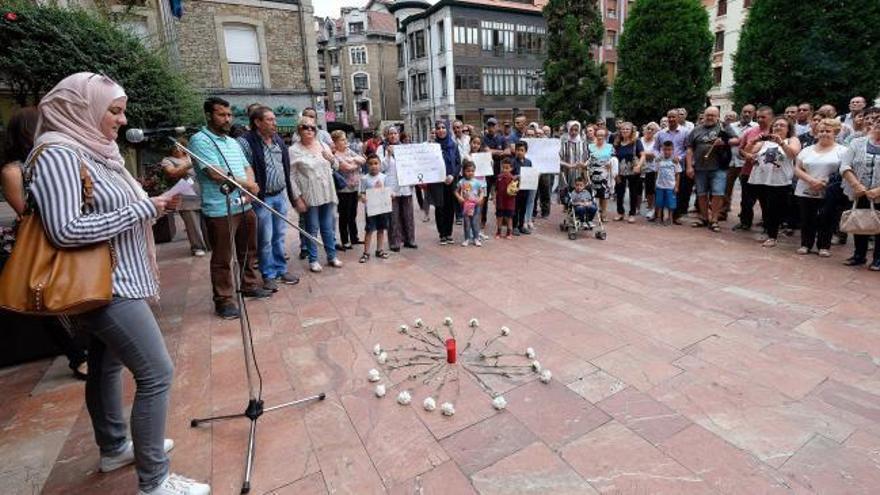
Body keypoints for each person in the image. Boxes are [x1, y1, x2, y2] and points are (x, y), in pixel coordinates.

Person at [30, 73, 209, 494]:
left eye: (120, 109)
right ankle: (155, 480)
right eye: (113, 110)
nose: (121, 118)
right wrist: (143, 209)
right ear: (82, 109)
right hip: (106, 285)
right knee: (157, 374)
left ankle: (114, 447)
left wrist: (157, 207)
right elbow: (65, 229)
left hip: (121, 276)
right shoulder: (58, 153)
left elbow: (118, 213)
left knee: (108, 368)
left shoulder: (98, 152)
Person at [1, 106, 89, 381]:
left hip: (71, 234)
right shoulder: (14, 171)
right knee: (46, 301)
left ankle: (89, 347)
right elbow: (26, 214)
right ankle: (77, 356)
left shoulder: (54, 159)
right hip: (41, 243)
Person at [191, 97, 271, 320]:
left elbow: (247, 166)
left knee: (249, 249)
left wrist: (250, 187)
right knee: (223, 257)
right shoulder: (200, 140)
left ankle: (249, 285)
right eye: (221, 114)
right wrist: (248, 185)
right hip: (219, 209)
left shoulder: (233, 141)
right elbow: (215, 173)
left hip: (243, 204)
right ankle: (224, 300)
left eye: (229, 114)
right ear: (208, 115)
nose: (227, 119)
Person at [237, 106, 300, 291]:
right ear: (257, 122)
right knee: (265, 238)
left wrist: (291, 195)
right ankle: (268, 274)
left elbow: (285, 169)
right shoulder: (245, 142)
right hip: (262, 198)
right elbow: (242, 169)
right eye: (270, 120)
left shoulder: (278, 140)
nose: (275, 123)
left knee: (279, 236)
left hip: (280, 195)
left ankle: (281, 269)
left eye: (275, 119)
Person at [289, 116, 342, 272]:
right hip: (309, 194)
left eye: (313, 127)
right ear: (299, 129)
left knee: (328, 226)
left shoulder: (322, 144)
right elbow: (291, 176)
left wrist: (332, 159)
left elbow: (336, 166)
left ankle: (332, 256)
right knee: (312, 228)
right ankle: (313, 259)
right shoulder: (293, 150)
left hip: (326, 192)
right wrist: (297, 197)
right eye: (306, 127)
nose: (310, 130)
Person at [794, 118, 850, 257]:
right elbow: (797, 168)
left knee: (828, 218)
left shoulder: (843, 151)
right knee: (807, 218)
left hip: (830, 190)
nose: (824, 133)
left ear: (835, 132)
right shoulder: (807, 150)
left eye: (828, 131)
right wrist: (811, 180)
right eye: (821, 131)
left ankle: (824, 246)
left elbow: (844, 169)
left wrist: (825, 181)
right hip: (806, 188)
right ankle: (805, 244)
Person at [746, 117, 801, 247]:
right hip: (761, 179)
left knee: (774, 209)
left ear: (788, 129)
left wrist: (781, 143)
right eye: (775, 125)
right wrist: (753, 142)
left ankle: (773, 236)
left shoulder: (792, 140)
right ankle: (768, 231)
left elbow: (793, 154)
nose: (778, 127)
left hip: (779, 181)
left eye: (782, 125)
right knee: (765, 208)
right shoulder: (765, 142)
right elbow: (748, 152)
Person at [685, 106, 738, 233]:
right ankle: (704, 218)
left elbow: (737, 140)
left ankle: (714, 219)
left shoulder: (724, 128)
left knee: (717, 194)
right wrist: (689, 166)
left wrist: (725, 142)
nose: (709, 117)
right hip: (700, 168)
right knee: (701, 194)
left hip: (719, 167)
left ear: (717, 117)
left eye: (712, 115)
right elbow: (689, 149)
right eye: (707, 115)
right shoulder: (696, 130)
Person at [840, 107, 880, 270]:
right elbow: (845, 165)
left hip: (878, 192)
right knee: (860, 221)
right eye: (877, 121)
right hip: (859, 191)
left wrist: (878, 191)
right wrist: (856, 185)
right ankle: (859, 255)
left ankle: (878, 259)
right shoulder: (857, 142)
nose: (878, 124)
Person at [160, 138, 208, 258]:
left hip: (203, 193)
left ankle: (209, 245)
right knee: (192, 224)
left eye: (180, 146)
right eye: (174, 147)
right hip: (186, 195)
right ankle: (197, 247)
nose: (177, 149)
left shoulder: (192, 156)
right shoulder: (167, 160)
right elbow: (172, 173)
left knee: (207, 222)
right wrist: (190, 164)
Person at [735, 106, 773, 232]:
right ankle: (745, 222)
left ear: (771, 117)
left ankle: (768, 226)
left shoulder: (775, 132)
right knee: (746, 200)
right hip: (748, 171)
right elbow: (740, 150)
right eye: (758, 117)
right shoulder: (750, 132)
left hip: (767, 174)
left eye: (763, 117)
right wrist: (746, 155)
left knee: (766, 202)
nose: (760, 119)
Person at [380, 125, 417, 251]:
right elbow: (381, 168)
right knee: (393, 216)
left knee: (408, 215)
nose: (393, 136)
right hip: (391, 187)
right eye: (390, 134)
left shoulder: (406, 148)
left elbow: (413, 165)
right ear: (387, 136)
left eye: (395, 133)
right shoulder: (382, 148)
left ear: (398, 134)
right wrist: (388, 155)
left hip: (405, 185)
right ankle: (395, 242)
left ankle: (409, 239)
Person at [330, 130, 364, 251]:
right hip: (343, 189)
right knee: (344, 215)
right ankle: (345, 240)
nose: (346, 142)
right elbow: (346, 168)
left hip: (354, 187)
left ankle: (354, 237)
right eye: (343, 140)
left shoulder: (349, 151)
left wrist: (353, 161)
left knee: (353, 214)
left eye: (345, 139)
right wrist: (354, 162)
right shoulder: (335, 155)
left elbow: (363, 160)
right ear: (335, 142)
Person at [722, 104, 757, 221]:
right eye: (744, 111)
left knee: (747, 192)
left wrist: (737, 141)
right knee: (726, 188)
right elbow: (724, 140)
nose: (746, 114)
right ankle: (723, 211)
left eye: (749, 112)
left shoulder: (756, 127)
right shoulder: (730, 126)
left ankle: (745, 216)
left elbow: (750, 143)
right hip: (730, 162)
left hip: (746, 164)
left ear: (753, 114)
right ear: (741, 112)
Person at [655, 109, 690, 224]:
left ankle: (675, 217)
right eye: (669, 117)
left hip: (678, 165)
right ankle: (659, 216)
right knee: (662, 194)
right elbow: (656, 148)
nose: (671, 119)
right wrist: (658, 156)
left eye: (673, 117)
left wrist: (679, 158)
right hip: (663, 164)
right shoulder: (661, 133)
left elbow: (688, 149)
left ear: (678, 118)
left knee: (677, 193)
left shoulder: (685, 132)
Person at [430, 120, 461, 244]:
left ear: (447, 130)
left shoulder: (453, 145)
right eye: (439, 128)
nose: (441, 130)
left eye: (443, 127)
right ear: (436, 131)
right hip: (438, 181)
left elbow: (458, 163)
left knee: (450, 207)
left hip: (451, 180)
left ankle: (449, 233)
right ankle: (442, 234)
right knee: (440, 206)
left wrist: (453, 175)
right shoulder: (432, 146)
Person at [358, 154, 391, 263]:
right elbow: (361, 193)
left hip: (382, 208)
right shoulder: (364, 179)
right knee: (369, 230)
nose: (373, 166)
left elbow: (388, 191)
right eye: (371, 164)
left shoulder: (384, 177)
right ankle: (366, 253)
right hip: (371, 210)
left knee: (381, 229)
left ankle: (379, 250)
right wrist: (363, 198)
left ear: (380, 165)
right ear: (367, 165)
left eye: (376, 163)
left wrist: (391, 194)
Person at [612, 122, 645, 223]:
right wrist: (614, 172)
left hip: (633, 170)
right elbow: (613, 157)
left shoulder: (636, 141)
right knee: (619, 192)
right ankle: (620, 212)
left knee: (633, 192)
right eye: (623, 129)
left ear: (631, 131)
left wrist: (639, 166)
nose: (625, 131)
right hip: (620, 171)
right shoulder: (617, 142)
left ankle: (632, 214)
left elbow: (643, 155)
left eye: (627, 129)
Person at [651, 140, 682, 226]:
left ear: (673, 150)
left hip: (670, 186)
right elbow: (656, 173)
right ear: (662, 150)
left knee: (670, 203)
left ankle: (670, 218)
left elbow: (677, 174)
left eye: (669, 150)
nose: (667, 152)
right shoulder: (658, 160)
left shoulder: (675, 161)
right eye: (665, 150)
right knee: (659, 202)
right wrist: (655, 184)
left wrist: (676, 186)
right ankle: (658, 217)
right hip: (660, 185)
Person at [455, 159, 485, 246]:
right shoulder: (462, 182)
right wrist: (459, 197)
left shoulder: (477, 182)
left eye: (472, 171)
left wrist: (480, 198)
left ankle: (476, 238)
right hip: (466, 205)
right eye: (468, 171)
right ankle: (467, 238)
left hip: (475, 205)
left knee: (475, 222)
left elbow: (482, 191)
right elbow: (456, 191)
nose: (470, 173)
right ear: (464, 171)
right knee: (466, 222)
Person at [590, 128, 615, 221]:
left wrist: (611, 164)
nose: (600, 137)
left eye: (602, 135)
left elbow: (614, 159)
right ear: (595, 135)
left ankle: (603, 213)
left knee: (604, 195)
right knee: (592, 195)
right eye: (598, 135)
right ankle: (592, 213)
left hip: (605, 174)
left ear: (605, 136)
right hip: (592, 173)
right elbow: (586, 159)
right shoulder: (590, 146)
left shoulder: (610, 147)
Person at [559, 121, 590, 192]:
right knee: (566, 195)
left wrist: (584, 164)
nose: (574, 132)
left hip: (580, 173)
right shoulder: (563, 142)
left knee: (579, 195)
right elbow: (558, 158)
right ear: (568, 130)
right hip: (566, 173)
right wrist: (569, 165)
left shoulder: (583, 142)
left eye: (576, 130)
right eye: (571, 130)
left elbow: (588, 157)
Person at [512, 141, 534, 235]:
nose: (520, 152)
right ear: (515, 151)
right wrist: (516, 176)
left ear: (526, 151)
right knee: (515, 208)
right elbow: (509, 175)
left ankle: (521, 226)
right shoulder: (512, 162)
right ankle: (514, 226)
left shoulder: (528, 162)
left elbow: (531, 173)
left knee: (523, 208)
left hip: (525, 188)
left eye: (522, 150)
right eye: (518, 150)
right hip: (515, 189)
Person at [640, 122, 660, 219]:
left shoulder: (657, 141)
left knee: (650, 190)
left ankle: (651, 208)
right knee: (637, 189)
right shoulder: (640, 140)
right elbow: (638, 153)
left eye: (652, 129)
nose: (649, 131)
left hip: (652, 168)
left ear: (656, 131)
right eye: (648, 128)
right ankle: (636, 208)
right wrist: (646, 155)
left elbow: (655, 154)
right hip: (640, 168)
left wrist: (643, 154)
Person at [495, 158, 516, 238]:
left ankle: (509, 232)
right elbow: (496, 189)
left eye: (507, 168)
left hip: (510, 202)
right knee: (499, 217)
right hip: (500, 202)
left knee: (509, 217)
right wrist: (494, 198)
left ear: (511, 168)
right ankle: (498, 231)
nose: (505, 170)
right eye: (503, 168)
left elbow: (515, 191)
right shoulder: (499, 177)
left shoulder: (513, 179)